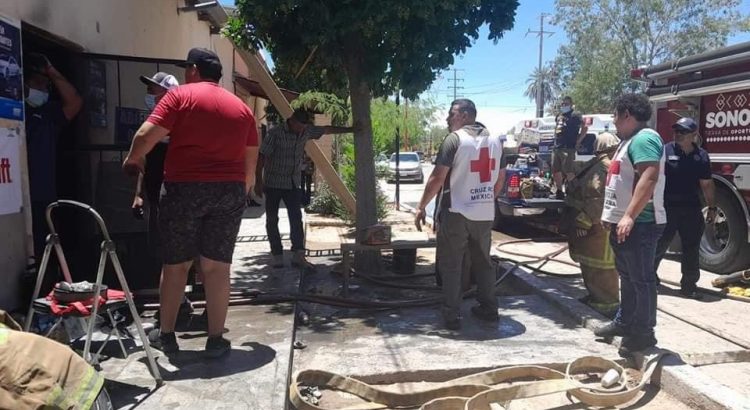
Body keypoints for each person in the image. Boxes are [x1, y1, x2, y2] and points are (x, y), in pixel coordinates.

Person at [123, 47, 259, 358]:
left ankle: (167, 335)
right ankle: (215, 340)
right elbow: (251, 156)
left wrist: (132, 159)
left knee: (176, 265)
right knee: (217, 267)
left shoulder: (179, 97)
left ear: (194, 70)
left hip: (185, 190)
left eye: (187, 68)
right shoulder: (241, 108)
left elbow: (146, 135)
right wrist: (244, 187)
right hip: (228, 192)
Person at [415, 99, 505, 330]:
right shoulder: (496, 141)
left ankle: (452, 314)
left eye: (451, 113)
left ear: (465, 115)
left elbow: (437, 178)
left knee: (452, 264)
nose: (448, 118)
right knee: (484, 263)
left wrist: (421, 206)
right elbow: (501, 178)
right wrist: (487, 199)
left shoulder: (454, 140)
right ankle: (489, 308)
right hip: (484, 213)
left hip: (456, 212)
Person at [595, 93, 666, 354]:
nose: (613, 121)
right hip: (626, 223)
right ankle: (625, 322)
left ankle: (644, 334)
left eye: (615, 115)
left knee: (642, 280)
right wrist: (612, 215)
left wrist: (628, 216)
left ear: (626, 114)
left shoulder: (645, 139)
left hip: (641, 224)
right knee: (628, 276)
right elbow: (619, 181)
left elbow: (649, 177)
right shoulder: (629, 141)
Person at [255, 109, 353, 269]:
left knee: (296, 217)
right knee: (272, 219)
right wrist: (258, 181)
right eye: (299, 126)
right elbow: (262, 156)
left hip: (293, 183)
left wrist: (351, 129)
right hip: (273, 183)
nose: (301, 130)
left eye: (304, 127)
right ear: (292, 121)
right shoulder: (275, 134)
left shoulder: (306, 131)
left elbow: (327, 129)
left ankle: (298, 254)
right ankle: (277, 255)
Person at [23, 52, 82, 260]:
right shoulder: (15, 110)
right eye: (38, 83)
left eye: (46, 86)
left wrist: (51, 71)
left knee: (45, 246)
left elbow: (74, 102)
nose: (43, 90)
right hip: (16, 195)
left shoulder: (49, 113)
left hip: (42, 193)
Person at [654, 117, 716, 300]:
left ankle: (689, 286)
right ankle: (649, 278)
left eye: (682, 132)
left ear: (693, 135)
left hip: (691, 209)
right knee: (659, 245)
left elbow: (707, 184)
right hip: (667, 208)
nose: (678, 135)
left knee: (691, 248)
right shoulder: (665, 151)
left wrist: (712, 208)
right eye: (676, 131)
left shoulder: (701, 156)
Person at [562, 132, 620, 316]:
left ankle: (607, 303)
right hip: (596, 225)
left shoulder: (602, 168)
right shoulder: (601, 165)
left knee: (601, 267)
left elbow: (598, 198)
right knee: (590, 264)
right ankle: (595, 297)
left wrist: (584, 221)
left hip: (598, 227)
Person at [131, 72, 179, 252]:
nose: (149, 93)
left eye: (153, 89)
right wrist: (139, 194)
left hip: (178, 201)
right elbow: (145, 159)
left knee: (179, 255)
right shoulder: (151, 124)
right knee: (159, 250)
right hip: (155, 199)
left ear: (168, 94)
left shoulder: (181, 124)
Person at [551, 96, 587, 199]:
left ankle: (575, 192)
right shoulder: (559, 116)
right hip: (557, 147)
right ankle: (559, 191)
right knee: (555, 170)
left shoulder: (575, 115)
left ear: (571, 105)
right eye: (562, 104)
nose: (564, 106)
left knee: (568, 171)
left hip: (568, 148)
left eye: (566, 104)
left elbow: (584, 128)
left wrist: (578, 140)